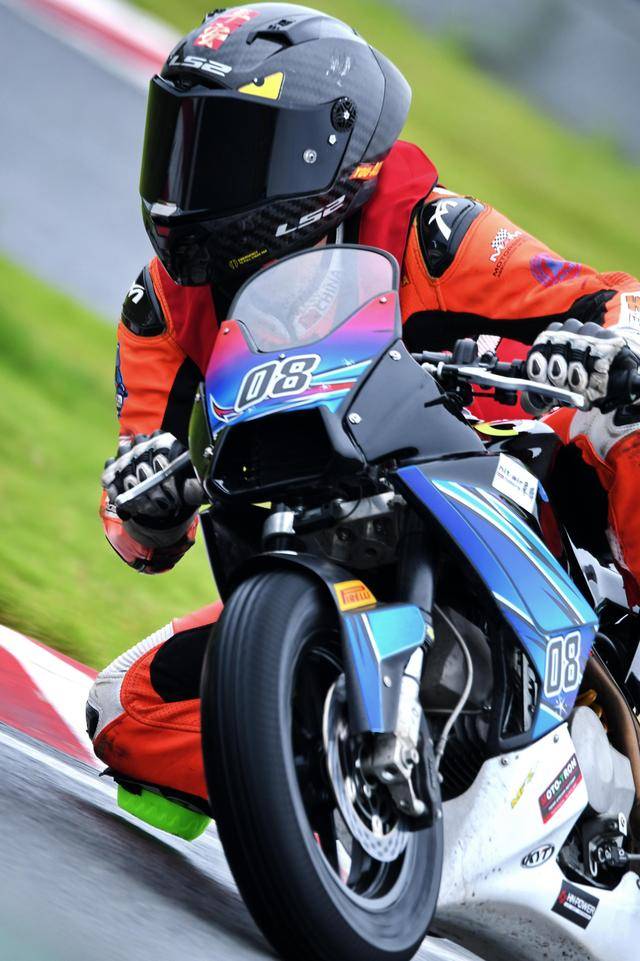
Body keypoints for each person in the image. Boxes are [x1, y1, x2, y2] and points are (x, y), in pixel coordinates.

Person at [87, 3, 640, 836]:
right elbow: (139, 504)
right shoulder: (163, 307)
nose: (188, 185)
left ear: (321, 152)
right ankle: (344, 794)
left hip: (510, 492)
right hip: (321, 560)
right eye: (182, 145)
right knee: (123, 708)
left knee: (623, 417)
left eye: (227, 153)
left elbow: (604, 298)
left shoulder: (430, 232)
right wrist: (144, 505)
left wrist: (602, 348)